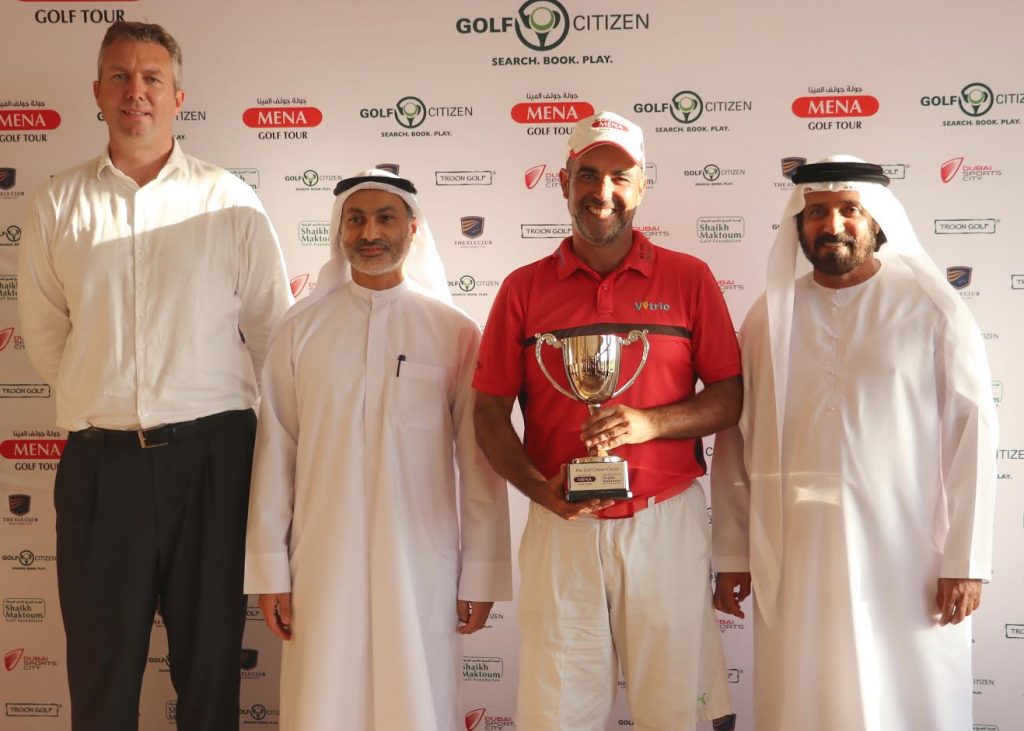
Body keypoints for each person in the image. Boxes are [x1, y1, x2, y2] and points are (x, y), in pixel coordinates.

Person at [16, 20, 292, 731]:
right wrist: (107, 397)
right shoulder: (55, 205)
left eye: (151, 78)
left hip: (215, 464)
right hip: (102, 469)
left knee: (209, 680)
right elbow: (49, 343)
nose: (135, 90)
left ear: (178, 96)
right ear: (97, 93)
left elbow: (273, 338)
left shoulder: (230, 202)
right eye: (119, 76)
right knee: (101, 683)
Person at [473, 111, 740, 730]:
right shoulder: (522, 288)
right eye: (587, 175)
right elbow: (488, 413)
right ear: (563, 181)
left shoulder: (689, 278)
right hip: (559, 524)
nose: (602, 192)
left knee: (676, 708)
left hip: (663, 520)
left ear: (641, 185)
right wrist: (540, 491)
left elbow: (729, 396)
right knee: (557, 710)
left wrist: (649, 424)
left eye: (619, 176)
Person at [711, 157, 997, 730]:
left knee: (910, 698)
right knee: (804, 695)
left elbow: (974, 433)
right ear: (799, 225)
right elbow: (737, 442)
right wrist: (734, 552)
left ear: (876, 221)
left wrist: (966, 561)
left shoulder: (932, 308)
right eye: (816, 212)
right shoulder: (769, 316)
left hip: (908, 556)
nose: (832, 224)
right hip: (796, 555)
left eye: (849, 210)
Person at [244, 169, 513, 730]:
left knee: (416, 700)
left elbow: (479, 464)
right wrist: (271, 568)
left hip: (421, 561)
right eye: (356, 219)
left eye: (385, 217)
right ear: (339, 231)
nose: (370, 232)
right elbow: (276, 456)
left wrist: (482, 574)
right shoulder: (300, 330)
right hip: (321, 559)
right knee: (322, 700)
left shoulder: (454, 331)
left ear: (413, 229)